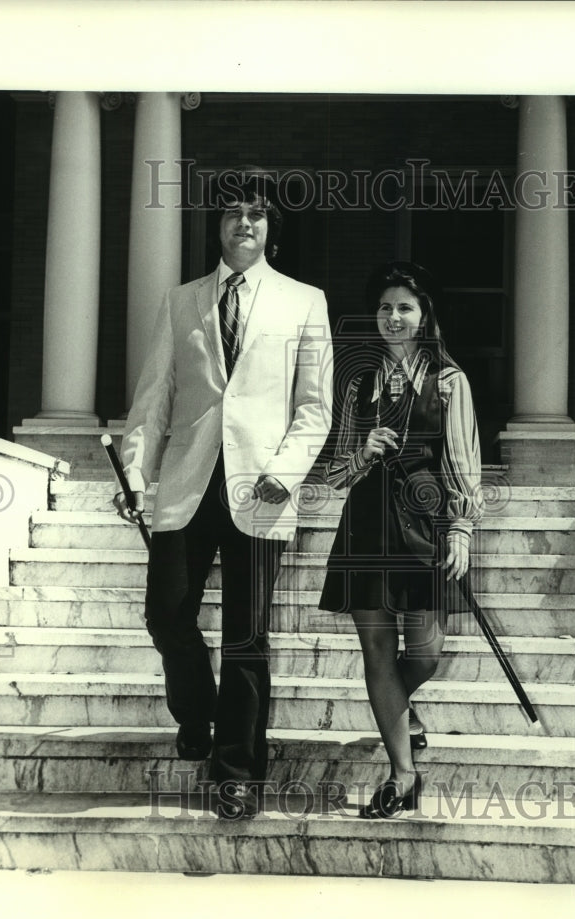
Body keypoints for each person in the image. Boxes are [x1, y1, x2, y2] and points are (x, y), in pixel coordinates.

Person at [115, 168, 333, 819]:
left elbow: (314, 409)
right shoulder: (180, 302)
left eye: (257, 214)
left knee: (247, 636)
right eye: (234, 212)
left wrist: (284, 471)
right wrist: (134, 473)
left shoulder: (303, 301)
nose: (245, 222)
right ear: (217, 225)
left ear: (272, 229)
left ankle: (235, 770)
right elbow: (153, 399)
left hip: (261, 489)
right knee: (166, 616)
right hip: (186, 484)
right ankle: (198, 713)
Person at [318, 260, 482, 819]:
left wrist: (461, 527)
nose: (393, 317)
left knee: (427, 654)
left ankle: (401, 705)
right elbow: (335, 474)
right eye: (385, 308)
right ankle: (402, 774)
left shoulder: (449, 381)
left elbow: (463, 461)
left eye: (404, 308)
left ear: (423, 314)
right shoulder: (358, 382)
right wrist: (363, 453)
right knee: (377, 654)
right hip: (366, 529)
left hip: (422, 529)